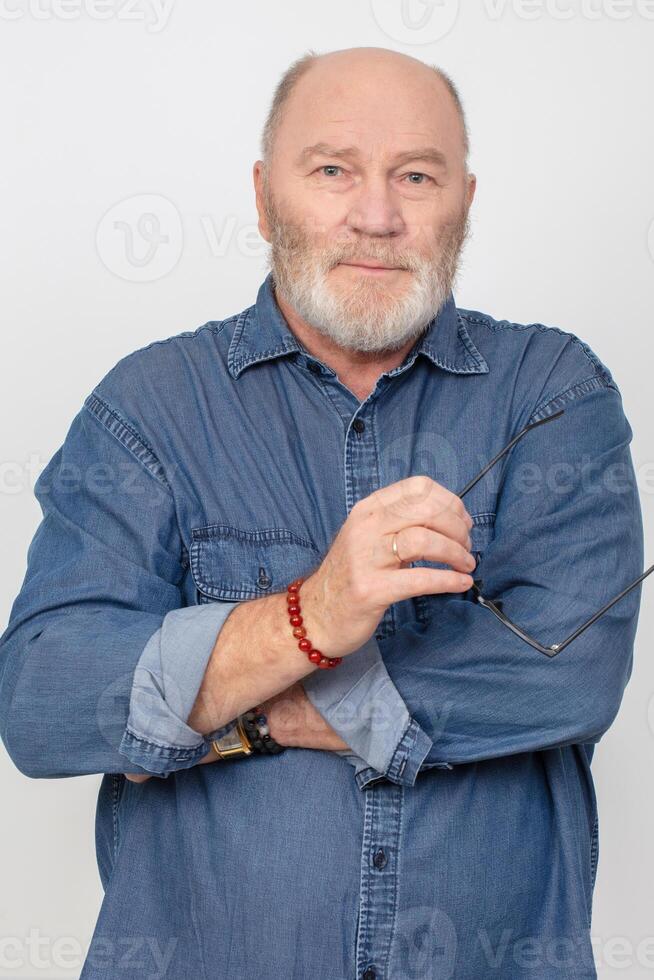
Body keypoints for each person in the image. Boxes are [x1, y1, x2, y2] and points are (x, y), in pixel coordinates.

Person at [0, 46, 644, 980]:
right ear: (264, 198)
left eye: (415, 176)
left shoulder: (552, 393)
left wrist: (240, 712)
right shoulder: (148, 408)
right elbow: (45, 701)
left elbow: (568, 675)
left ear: (464, 201)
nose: (376, 217)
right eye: (333, 170)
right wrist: (311, 616)